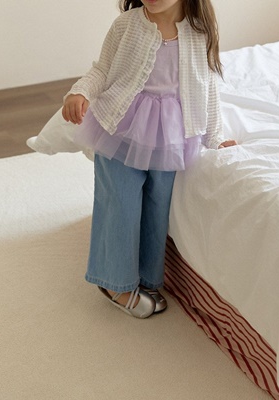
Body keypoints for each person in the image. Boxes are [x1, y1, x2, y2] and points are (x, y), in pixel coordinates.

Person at [62, 0, 237, 319]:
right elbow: (102, 69)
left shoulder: (199, 31)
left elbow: (207, 85)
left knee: (158, 205)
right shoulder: (126, 25)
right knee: (120, 202)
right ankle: (115, 282)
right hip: (121, 126)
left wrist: (214, 136)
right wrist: (80, 91)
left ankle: (146, 278)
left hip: (169, 135)